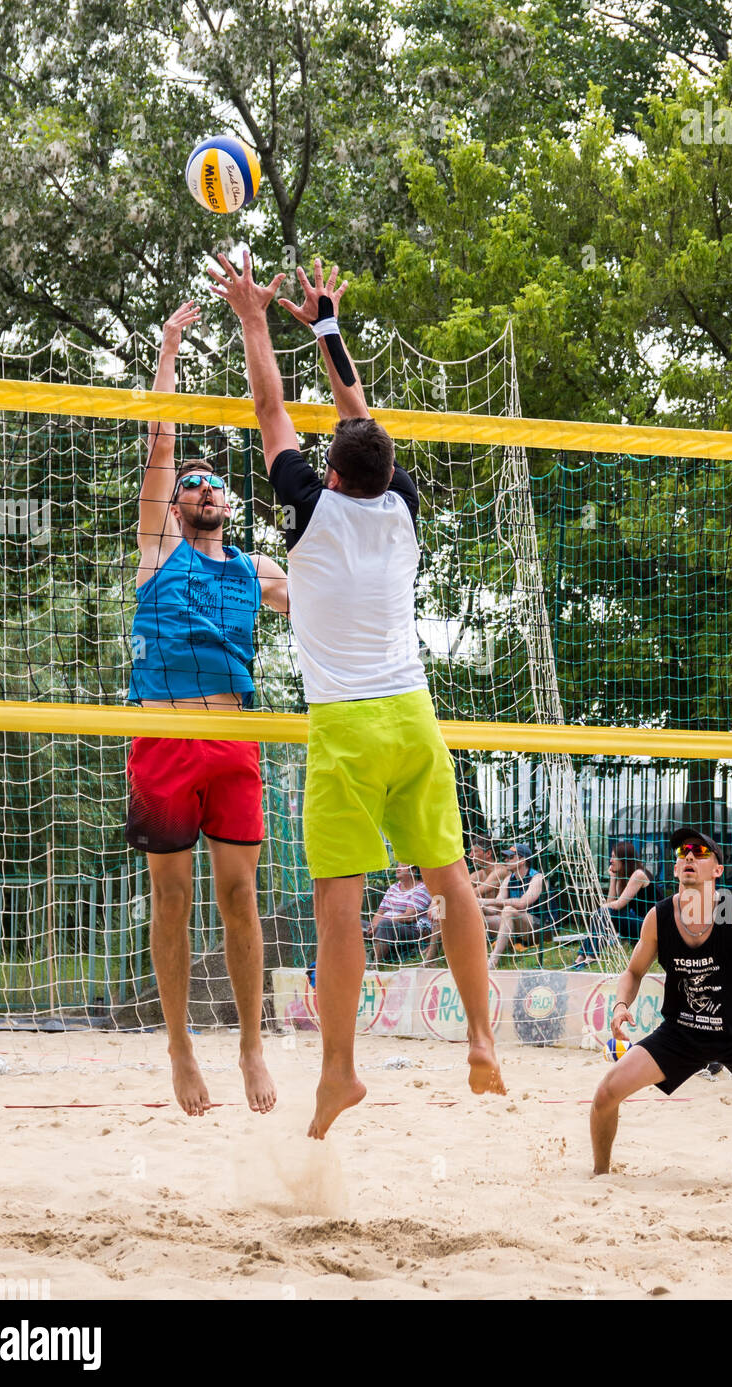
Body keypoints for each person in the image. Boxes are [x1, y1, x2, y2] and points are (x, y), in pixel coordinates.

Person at [209, 249, 505, 1138]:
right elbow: (361, 419)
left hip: (342, 727)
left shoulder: (313, 505)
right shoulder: (402, 502)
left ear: (331, 474)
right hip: (415, 717)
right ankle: (483, 1038)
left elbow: (270, 408)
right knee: (452, 881)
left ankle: (338, 1072)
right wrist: (325, 325)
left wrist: (255, 316)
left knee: (339, 904)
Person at [127, 301, 289, 1119]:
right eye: (192, 483)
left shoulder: (256, 568)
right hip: (162, 732)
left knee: (237, 898)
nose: (202, 488)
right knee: (172, 899)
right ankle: (181, 1049)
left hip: (235, 738)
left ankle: (251, 1044)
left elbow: (328, 600)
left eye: (215, 484)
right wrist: (170, 348)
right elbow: (160, 441)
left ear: (230, 504)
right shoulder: (158, 548)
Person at [590, 828, 732, 1185]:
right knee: (606, 1093)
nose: (689, 857)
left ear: (717, 870)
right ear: (676, 866)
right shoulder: (659, 917)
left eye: (700, 851)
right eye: (683, 852)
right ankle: (600, 1177)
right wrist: (620, 1005)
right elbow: (633, 972)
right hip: (680, 1033)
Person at [573, 840, 657, 967]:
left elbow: (618, 905)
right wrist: (613, 878)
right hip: (637, 924)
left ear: (624, 859)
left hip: (651, 926)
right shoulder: (622, 877)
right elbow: (610, 904)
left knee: (604, 913)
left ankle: (590, 955)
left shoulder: (638, 874)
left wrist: (599, 910)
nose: (610, 860)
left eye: (614, 857)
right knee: (604, 913)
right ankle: (582, 956)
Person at [486, 843, 546, 966]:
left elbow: (522, 904)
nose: (506, 860)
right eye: (505, 857)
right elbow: (495, 907)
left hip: (540, 928)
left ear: (523, 860)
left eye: (510, 857)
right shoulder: (509, 878)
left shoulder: (537, 877)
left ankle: (493, 961)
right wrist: (477, 905)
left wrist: (486, 901)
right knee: (480, 916)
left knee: (508, 910)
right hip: (518, 926)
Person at [369, 864, 434, 965]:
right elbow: (379, 912)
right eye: (397, 865)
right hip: (383, 926)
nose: (398, 868)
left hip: (410, 931)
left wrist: (383, 922)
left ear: (413, 871)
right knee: (357, 925)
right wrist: (374, 926)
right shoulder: (393, 888)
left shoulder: (421, 889)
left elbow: (409, 916)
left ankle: (375, 963)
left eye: (402, 866)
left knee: (385, 925)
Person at [468, 834, 511, 902]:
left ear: (488, 853)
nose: (470, 855)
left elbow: (472, 893)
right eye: (471, 851)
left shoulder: (500, 871)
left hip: (504, 911)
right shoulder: (477, 875)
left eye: (475, 851)